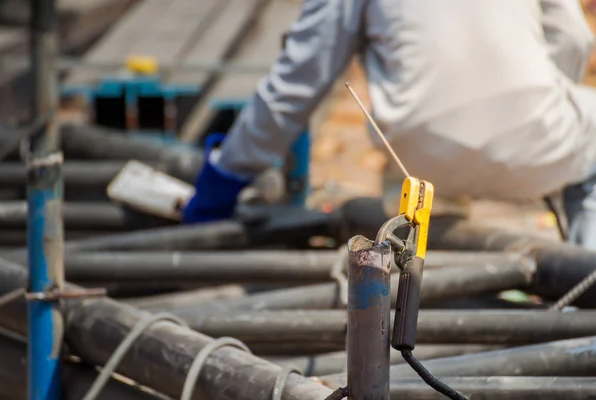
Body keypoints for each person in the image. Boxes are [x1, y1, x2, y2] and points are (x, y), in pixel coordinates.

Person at [182, 0, 596, 250]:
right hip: (536, 145)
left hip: (415, 155)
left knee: (408, 205)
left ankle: (411, 303)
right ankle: (584, 295)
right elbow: (573, 38)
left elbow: (300, 78)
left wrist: (225, 176)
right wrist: (531, 115)